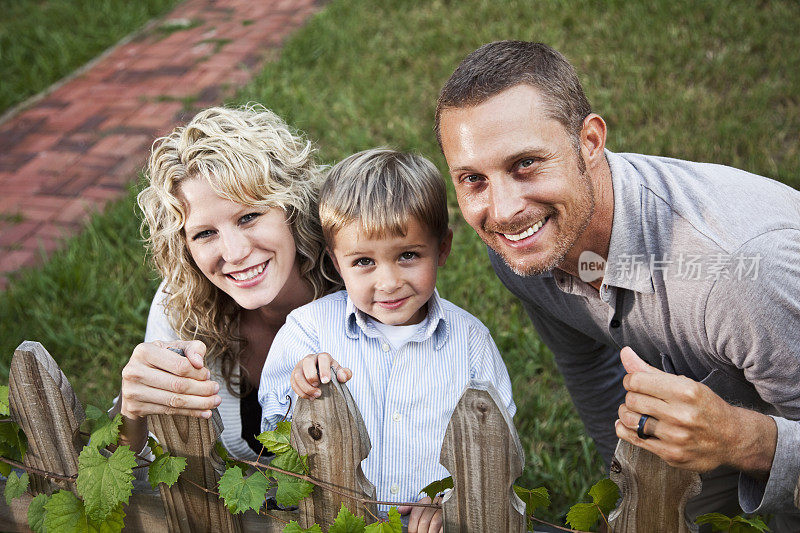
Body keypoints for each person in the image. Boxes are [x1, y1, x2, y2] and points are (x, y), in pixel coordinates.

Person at [434, 40, 800, 528]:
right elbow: (588, 363)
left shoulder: (739, 275)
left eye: (525, 164)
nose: (502, 210)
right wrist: (634, 493)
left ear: (589, 141)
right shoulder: (526, 244)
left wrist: (739, 439)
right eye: (473, 179)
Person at [258, 148, 516, 532]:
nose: (389, 282)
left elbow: (495, 448)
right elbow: (273, 432)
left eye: (408, 255)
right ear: (335, 261)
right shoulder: (309, 330)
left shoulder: (471, 343)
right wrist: (300, 385)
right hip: (332, 520)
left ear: (442, 248)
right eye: (364, 262)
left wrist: (450, 501)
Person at [113, 105, 341, 461]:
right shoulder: (178, 307)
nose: (234, 253)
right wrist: (133, 417)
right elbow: (143, 475)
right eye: (205, 233)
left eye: (249, 216)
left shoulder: (370, 289)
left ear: (292, 208)